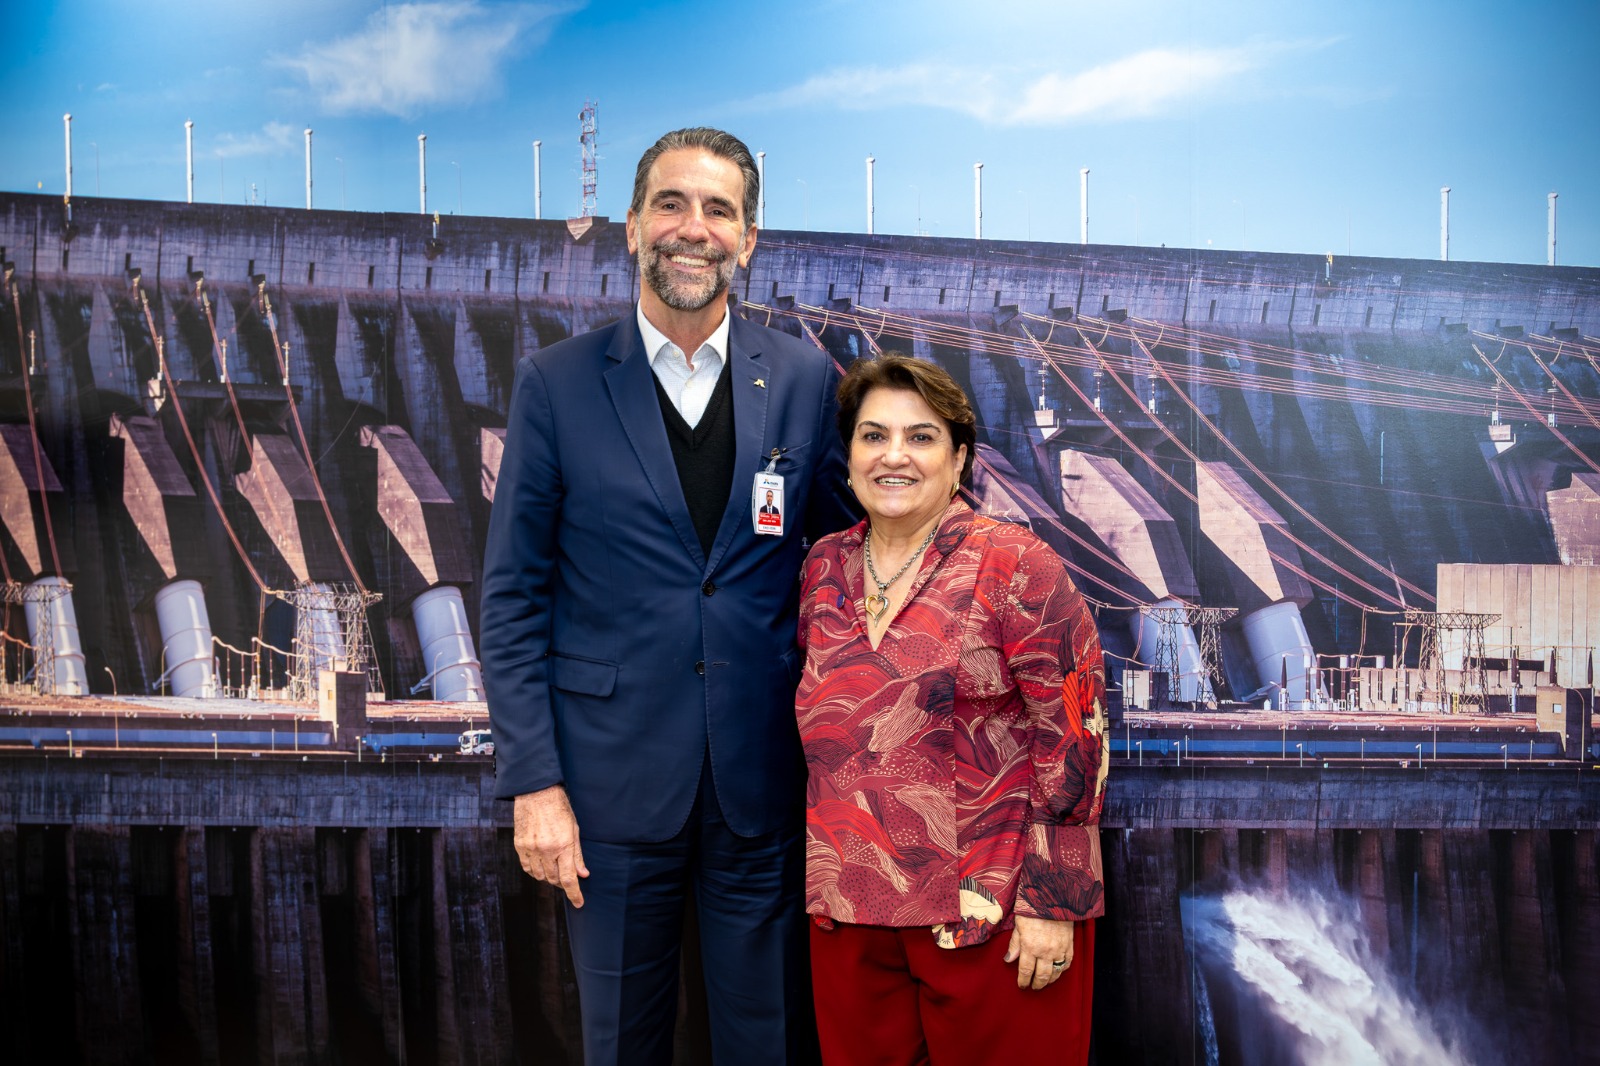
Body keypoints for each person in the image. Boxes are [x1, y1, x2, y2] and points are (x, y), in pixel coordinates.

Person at [481, 127, 852, 1066]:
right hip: (607, 791)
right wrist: (534, 784)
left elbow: (854, 545)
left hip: (760, 781)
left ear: (750, 238)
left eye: (719, 210)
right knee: (622, 1045)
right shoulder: (556, 385)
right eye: (673, 205)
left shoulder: (803, 379)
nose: (695, 230)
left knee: (764, 1040)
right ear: (635, 225)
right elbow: (514, 596)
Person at [795, 354, 1108, 1064]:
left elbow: (1077, 732)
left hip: (992, 918)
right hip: (849, 914)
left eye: (921, 437)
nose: (893, 456)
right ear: (848, 456)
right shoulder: (822, 569)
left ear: (960, 457)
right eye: (873, 436)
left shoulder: (1015, 563)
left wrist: (1054, 903)